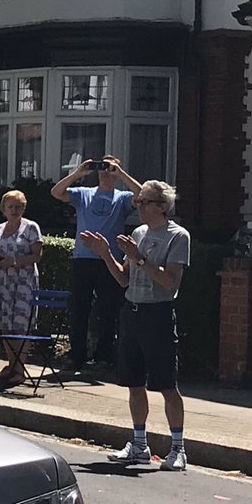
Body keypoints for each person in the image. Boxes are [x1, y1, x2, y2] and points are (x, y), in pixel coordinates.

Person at [80, 180, 191, 471]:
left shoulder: (178, 236)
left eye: (145, 202)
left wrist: (139, 257)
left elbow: (169, 282)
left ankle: (178, 448)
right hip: (132, 311)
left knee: (167, 384)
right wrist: (104, 252)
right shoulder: (138, 233)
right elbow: (123, 279)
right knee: (133, 382)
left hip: (158, 314)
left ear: (163, 207)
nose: (139, 207)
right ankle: (139, 444)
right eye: (138, 202)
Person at [51, 155, 142, 372]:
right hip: (83, 259)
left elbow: (141, 195)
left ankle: (104, 357)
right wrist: (78, 173)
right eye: (102, 168)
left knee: (108, 310)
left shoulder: (122, 198)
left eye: (110, 168)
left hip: (109, 260)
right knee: (79, 309)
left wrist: (121, 173)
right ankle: (76, 355)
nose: (105, 172)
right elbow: (56, 193)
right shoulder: (84, 194)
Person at [0, 189, 43, 389]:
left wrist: (15, 261)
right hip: (1, 282)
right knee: (5, 323)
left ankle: (19, 369)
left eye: (19, 207)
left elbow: (37, 256)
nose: (15, 210)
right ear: (4, 209)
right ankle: (11, 364)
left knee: (20, 323)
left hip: (23, 282)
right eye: (11, 207)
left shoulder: (31, 228)